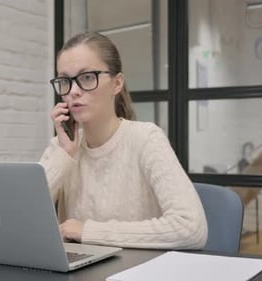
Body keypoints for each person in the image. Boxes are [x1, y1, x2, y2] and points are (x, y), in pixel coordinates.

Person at [39, 32, 208, 249]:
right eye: (64, 81)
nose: (73, 91)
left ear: (117, 83)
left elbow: (191, 229)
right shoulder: (62, 147)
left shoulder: (146, 139)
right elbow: (20, 220)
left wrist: (88, 231)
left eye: (87, 77)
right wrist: (65, 155)